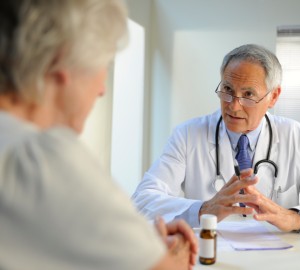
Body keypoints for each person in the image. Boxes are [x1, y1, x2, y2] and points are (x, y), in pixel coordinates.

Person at [0, 0, 197, 269]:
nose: (102, 88)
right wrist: (170, 258)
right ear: (63, 60)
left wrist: (127, 247)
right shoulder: (41, 158)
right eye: (104, 65)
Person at [132, 44, 300, 234]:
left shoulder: (296, 136)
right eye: (227, 89)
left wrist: (291, 217)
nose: (233, 105)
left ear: (273, 97)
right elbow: (142, 201)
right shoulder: (187, 135)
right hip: (211, 254)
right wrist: (203, 209)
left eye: (248, 94)